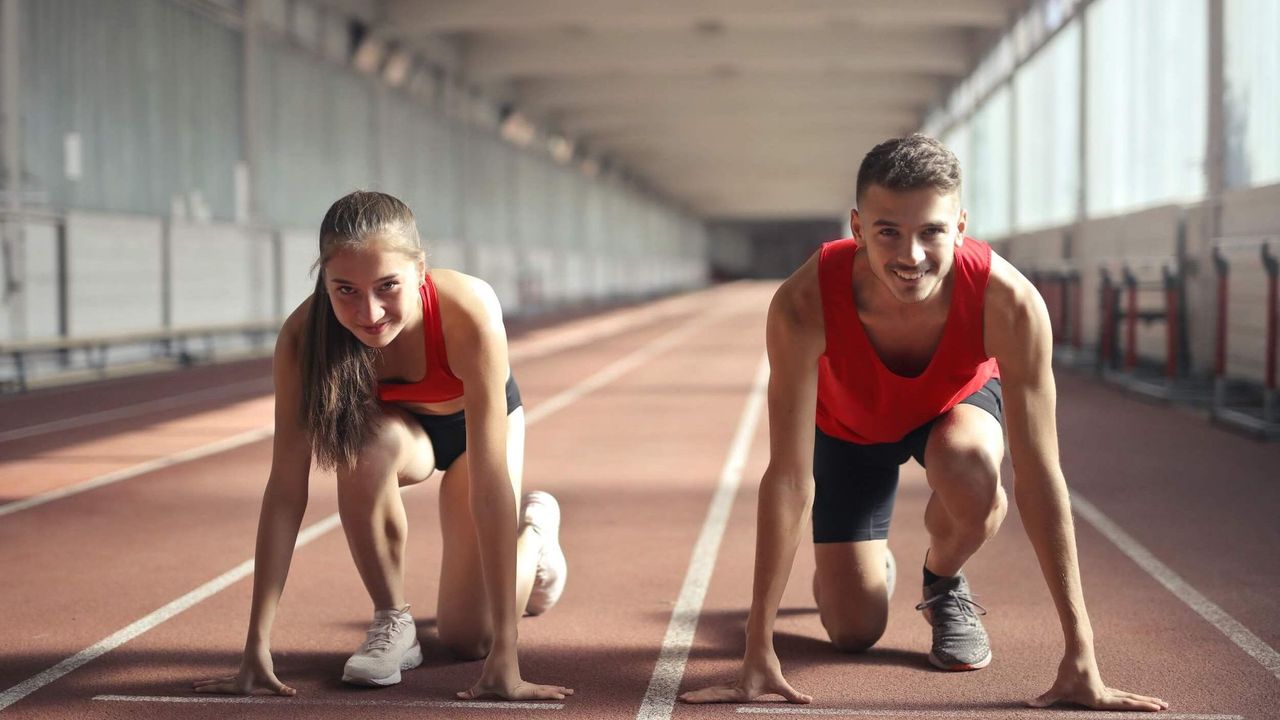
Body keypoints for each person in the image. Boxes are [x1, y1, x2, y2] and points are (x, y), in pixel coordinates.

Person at [680, 136, 1168, 712]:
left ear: (960, 226)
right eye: (889, 230)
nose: (910, 255)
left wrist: (1081, 652)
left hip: (950, 412)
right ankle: (863, 567)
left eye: (931, 231)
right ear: (857, 228)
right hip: (847, 431)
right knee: (853, 631)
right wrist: (755, 650)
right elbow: (788, 478)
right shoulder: (803, 302)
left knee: (975, 477)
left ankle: (942, 579)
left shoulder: (1009, 303)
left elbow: (1040, 478)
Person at [193, 190, 571, 701]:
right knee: (361, 449)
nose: (368, 312)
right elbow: (285, 490)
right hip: (400, 434)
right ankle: (394, 623)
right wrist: (256, 645)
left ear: (420, 270)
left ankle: (537, 536)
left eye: (387, 286)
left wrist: (508, 653)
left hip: (478, 429)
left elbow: (488, 486)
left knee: (469, 639)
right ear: (323, 280)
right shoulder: (304, 338)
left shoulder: (468, 310)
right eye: (344, 289)